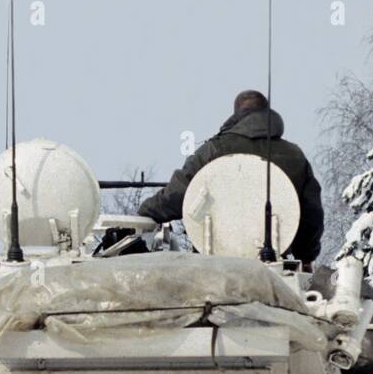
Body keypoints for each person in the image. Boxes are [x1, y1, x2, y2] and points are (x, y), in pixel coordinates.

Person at [137, 90, 324, 265]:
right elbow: (311, 215)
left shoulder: (213, 150)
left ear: (236, 116)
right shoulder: (295, 156)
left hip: (214, 265)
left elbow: (177, 196)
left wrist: (145, 212)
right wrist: (306, 256)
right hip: (272, 267)